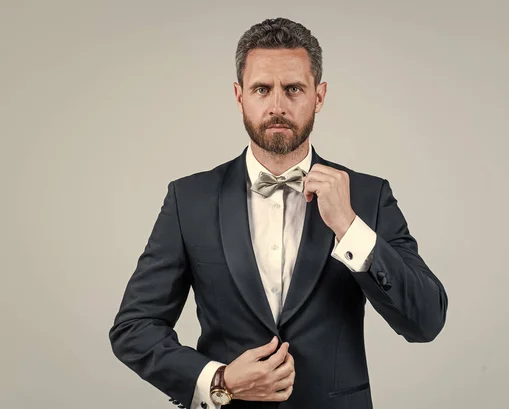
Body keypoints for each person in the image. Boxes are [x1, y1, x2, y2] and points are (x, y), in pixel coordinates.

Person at [109, 17, 448, 409]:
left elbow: (426, 321)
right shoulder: (189, 200)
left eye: (293, 89)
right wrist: (219, 380)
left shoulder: (368, 195)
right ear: (239, 96)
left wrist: (349, 227)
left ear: (318, 96)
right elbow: (134, 328)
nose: (276, 106)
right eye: (261, 89)